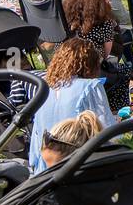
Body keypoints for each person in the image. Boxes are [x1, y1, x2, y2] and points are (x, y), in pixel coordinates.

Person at [28, 38, 118, 172]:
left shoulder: (44, 89)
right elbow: (106, 131)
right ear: (91, 64)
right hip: (77, 162)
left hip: (45, 165)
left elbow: (36, 138)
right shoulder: (90, 87)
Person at [62, 0, 129, 111]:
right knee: (124, 71)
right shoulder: (105, 21)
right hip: (91, 72)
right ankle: (113, 112)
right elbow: (106, 54)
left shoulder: (65, 17)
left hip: (63, 69)